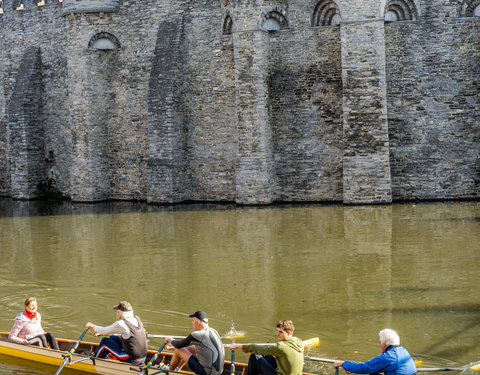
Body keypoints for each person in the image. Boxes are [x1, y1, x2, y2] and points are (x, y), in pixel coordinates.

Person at [230, 319, 304, 375]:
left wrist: (238, 346)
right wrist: (251, 349)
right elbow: (263, 349)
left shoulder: (281, 347)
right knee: (265, 354)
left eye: (281, 332)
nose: (277, 334)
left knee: (254, 355)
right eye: (277, 331)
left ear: (289, 333)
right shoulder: (298, 341)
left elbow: (256, 348)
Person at [164, 310, 224, 375]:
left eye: (192, 320)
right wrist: (177, 345)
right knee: (188, 347)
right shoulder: (214, 331)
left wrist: (170, 339)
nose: (192, 323)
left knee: (178, 350)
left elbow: (178, 345)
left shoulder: (197, 335)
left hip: (206, 373)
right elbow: (185, 345)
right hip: (219, 372)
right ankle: (177, 369)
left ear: (197, 322)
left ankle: (170, 372)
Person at [333, 328, 417, 375]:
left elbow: (365, 368)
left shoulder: (389, 357)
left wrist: (343, 364)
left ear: (384, 344)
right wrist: (352, 368)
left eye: (380, 342)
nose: (380, 344)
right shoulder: (403, 350)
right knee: (373, 373)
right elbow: (373, 367)